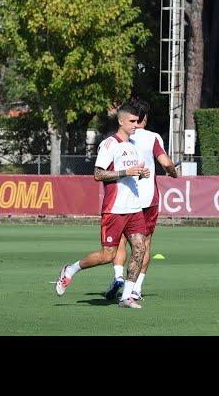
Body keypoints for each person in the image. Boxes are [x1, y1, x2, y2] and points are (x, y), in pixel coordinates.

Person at [55, 102, 150, 309]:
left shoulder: (134, 146)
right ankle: (70, 270)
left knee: (140, 249)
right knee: (108, 255)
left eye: (138, 121)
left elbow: (134, 173)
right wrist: (126, 172)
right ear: (121, 121)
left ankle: (127, 296)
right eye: (132, 121)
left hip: (134, 209)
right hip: (114, 209)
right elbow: (98, 174)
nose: (136, 125)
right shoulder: (109, 144)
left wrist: (141, 175)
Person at [104, 99, 178, 301]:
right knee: (144, 244)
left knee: (119, 241)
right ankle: (135, 288)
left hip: (124, 198)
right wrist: (173, 172)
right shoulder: (152, 137)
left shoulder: (122, 137)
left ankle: (118, 276)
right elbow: (165, 162)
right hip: (148, 200)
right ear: (146, 118)